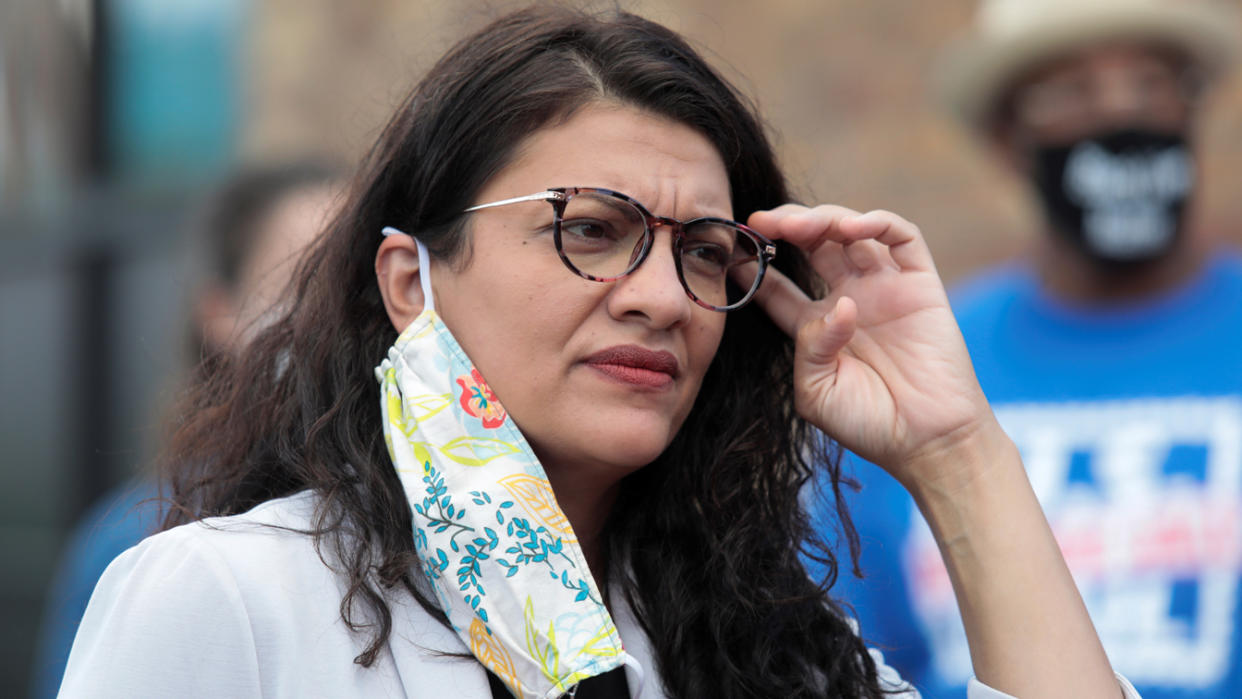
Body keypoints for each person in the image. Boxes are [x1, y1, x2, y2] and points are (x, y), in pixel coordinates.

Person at [60, 7, 1137, 698]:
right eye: (590, 230)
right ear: (409, 281)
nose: (664, 298)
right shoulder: (232, 600)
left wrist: (956, 450)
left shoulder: (771, 653)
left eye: (708, 253)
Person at [818, 0, 1242, 697]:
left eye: (1151, 85)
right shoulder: (915, 367)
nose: (1118, 115)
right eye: (1070, 93)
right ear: (1007, 138)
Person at [32, 162, 341, 699]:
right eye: (306, 283)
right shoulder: (143, 541)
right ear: (219, 310)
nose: (338, 317)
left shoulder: (428, 511)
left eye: (359, 280)